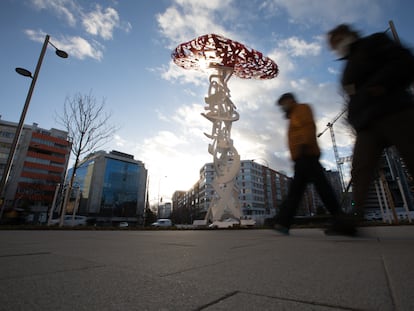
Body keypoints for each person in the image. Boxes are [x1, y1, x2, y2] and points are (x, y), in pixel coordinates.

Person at [327, 24, 414, 223]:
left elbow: (405, 62)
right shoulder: (347, 66)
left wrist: (381, 85)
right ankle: (356, 216)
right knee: (360, 169)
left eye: (337, 40)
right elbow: (352, 97)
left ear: (347, 35)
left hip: (395, 111)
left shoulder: (375, 42)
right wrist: (353, 119)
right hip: (367, 124)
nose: (335, 46)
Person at [274, 92, 355, 235]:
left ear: (290, 100)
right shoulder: (293, 115)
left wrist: (304, 146)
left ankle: (283, 222)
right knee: (301, 190)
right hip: (302, 156)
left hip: (306, 154)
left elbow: (307, 126)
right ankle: (283, 222)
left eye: (283, 104)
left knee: (314, 189)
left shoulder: (301, 109)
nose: (282, 108)